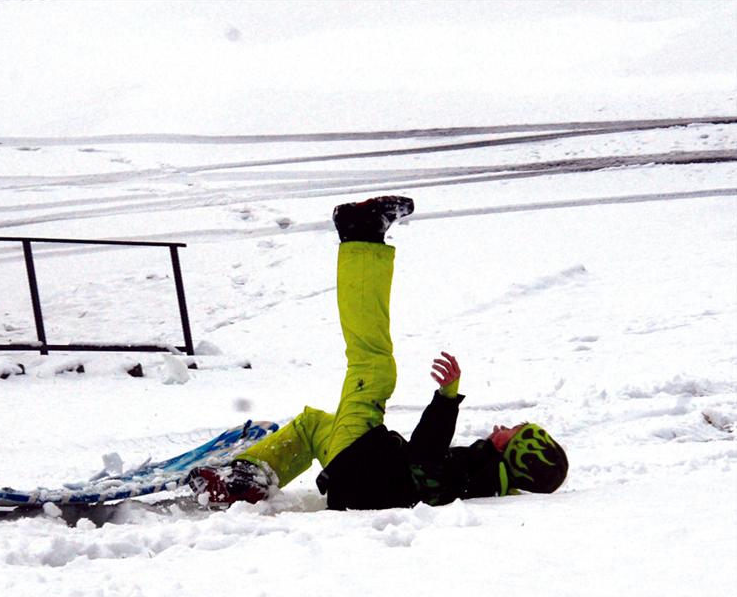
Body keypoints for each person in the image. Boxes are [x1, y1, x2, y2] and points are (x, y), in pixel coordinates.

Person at [188, 196, 568, 510]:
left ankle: (362, 235)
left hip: (358, 463)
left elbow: (424, 463)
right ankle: (242, 481)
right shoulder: (487, 475)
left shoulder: (481, 472)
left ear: (518, 453)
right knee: (313, 424)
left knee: (374, 364)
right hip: (353, 473)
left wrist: (447, 400)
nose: (504, 426)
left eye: (514, 432)